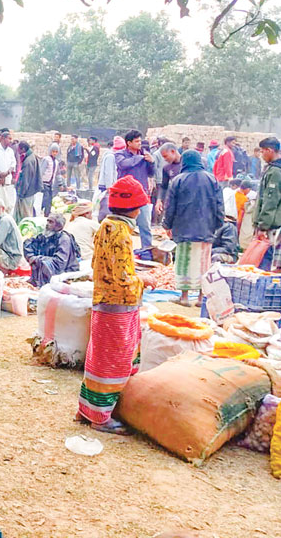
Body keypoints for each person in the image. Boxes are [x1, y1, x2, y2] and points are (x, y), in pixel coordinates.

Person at [78, 175, 156, 434]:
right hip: (118, 306)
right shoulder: (121, 232)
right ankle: (102, 418)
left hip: (104, 302)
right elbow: (123, 279)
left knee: (98, 356)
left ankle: (87, 409)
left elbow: (99, 266)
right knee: (114, 360)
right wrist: (143, 279)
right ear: (134, 208)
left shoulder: (105, 226)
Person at [162, 150, 223, 306]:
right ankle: (201, 298)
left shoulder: (178, 180)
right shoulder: (212, 179)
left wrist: (167, 225)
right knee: (203, 263)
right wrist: (217, 224)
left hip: (183, 228)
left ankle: (184, 297)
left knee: (184, 262)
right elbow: (219, 205)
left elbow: (170, 206)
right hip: (206, 228)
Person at [254, 137, 281, 272]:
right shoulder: (276, 169)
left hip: (270, 223)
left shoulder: (276, 172)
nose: (261, 155)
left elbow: (270, 201)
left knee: (263, 259)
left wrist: (263, 225)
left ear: (269, 150)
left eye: (262, 151)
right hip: (272, 221)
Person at [116, 130, 156, 250]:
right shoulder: (120, 154)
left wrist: (152, 162)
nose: (140, 143)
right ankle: (122, 250)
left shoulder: (145, 154)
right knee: (123, 225)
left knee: (145, 225)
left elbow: (151, 173)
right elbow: (124, 164)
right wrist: (140, 158)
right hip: (125, 196)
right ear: (129, 143)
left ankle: (147, 251)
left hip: (141, 195)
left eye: (140, 140)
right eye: (137, 141)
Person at [23, 212, 81, 287]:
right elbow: (29, 244)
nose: (47, 224)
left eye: (51, 222)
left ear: (58, 226)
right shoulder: (45, 235)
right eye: (47, 221)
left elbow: (59, 263)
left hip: (65, 273)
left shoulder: (64, 239)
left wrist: (37, 259)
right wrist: (31, 257)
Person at [0, 130, 18, 215]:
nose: (10, 140)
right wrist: (1, 174)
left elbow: (13, 163)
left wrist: (8, 172)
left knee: (8, 205)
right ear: (3, 139)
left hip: (7, 182)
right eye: (9, 138)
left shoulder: (10, 151)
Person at [96, 137, 121, 222]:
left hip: (107, 185)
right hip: (107, 186)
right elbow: (108, 173)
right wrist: (109, 187)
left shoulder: (110, 155)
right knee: (105, 207)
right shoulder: (111, 157)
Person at [15, 141, 41, 221]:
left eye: (18, 149)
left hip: (26, 193)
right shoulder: (32, 157)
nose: (17, 151)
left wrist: (21, 194)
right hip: (30, 191)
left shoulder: (28, 161)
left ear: (23, 149)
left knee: (25, 217)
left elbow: (25, 180)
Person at [156, 142, 182, 214]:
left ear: (173, 151)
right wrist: (159, 200)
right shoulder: (166, 168)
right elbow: (164, 186)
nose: (165, 159)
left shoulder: (187, 164)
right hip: (174, 201)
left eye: (165, 156)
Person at [40, 143, 60, 216]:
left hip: (51, 184)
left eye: (56, 152)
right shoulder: (46, 159)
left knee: (49, 200)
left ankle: (47, 214)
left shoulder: (56, 162)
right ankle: (40, 210)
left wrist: (60, 183)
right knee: (44, 199)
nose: (54, 153)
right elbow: (41, 171)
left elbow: (57, 173)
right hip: (44, 183)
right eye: (53, 151)